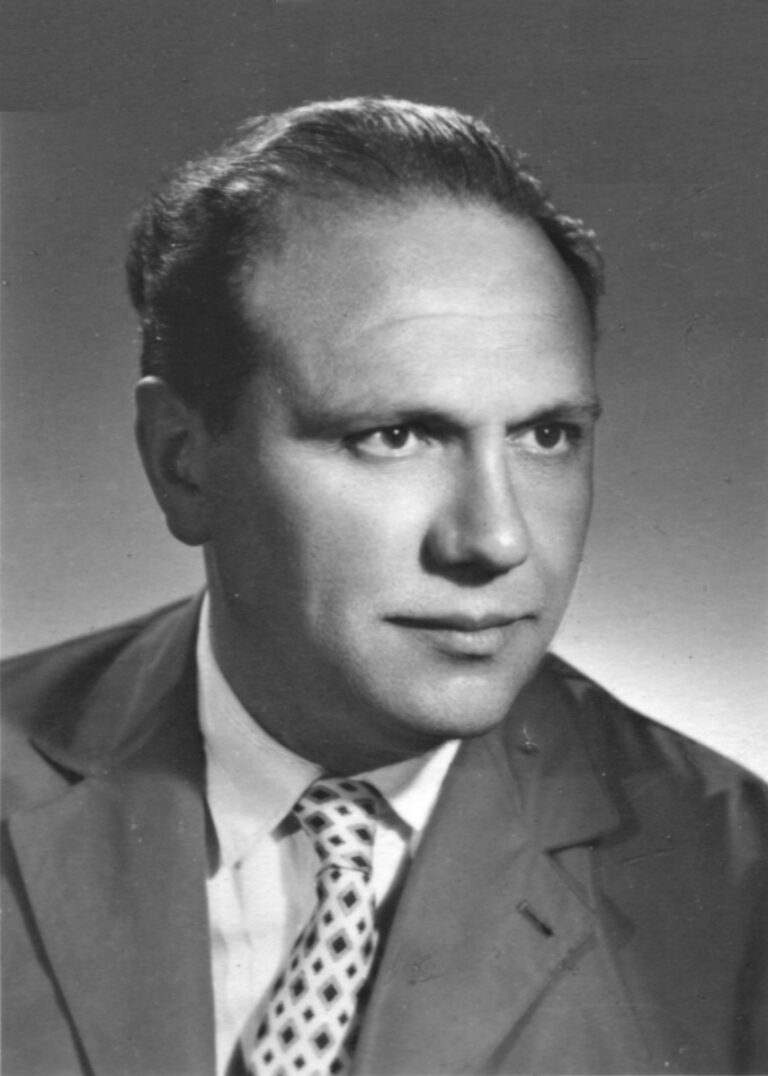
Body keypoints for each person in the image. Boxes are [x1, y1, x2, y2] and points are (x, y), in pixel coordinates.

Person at [2, 97, 766, 1076]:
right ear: (183, 461)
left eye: (547, 435)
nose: (495, 539)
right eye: (393, 435)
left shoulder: (741, 886)